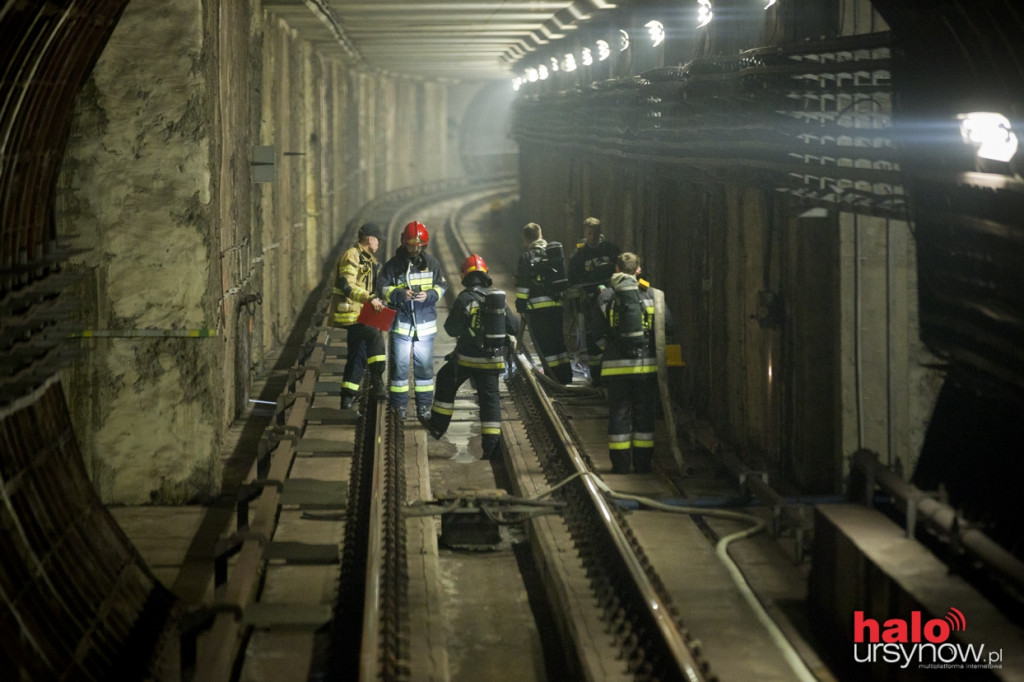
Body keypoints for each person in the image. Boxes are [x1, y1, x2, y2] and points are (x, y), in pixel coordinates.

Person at [422, 254, 520, 461]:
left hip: (467, 360)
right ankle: (491, 448)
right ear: (485, 274)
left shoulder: (466, 298)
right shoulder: (497, 298)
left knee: (446, 379)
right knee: (490, 401)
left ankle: (438, 427)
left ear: (465, 276)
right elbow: (515, 327)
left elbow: (451, 329)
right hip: (493, 361)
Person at [595, 252, 672, 474]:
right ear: (638, 270)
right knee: (644, 413)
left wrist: (611, 351)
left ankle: (620, 465)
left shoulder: (605, 296)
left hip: (615, 368)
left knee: (619, 413)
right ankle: (643, 464)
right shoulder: (653, 295)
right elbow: (669, 327)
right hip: (645, 367)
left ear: (617, 269)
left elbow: (597, 334)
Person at [378, 221, 447, 420]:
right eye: (411, 245)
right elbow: (381, 287)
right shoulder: (393, 265)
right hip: (402, 325)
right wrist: (400, 294)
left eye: (419, 245)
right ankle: (398, 407)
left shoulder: (432, 263)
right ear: (403, 242)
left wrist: (429, 295)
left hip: (424, 328)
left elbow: (442, 287)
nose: (415, 249)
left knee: (424, 370)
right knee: (399, 369)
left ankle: (424, 407)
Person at [329, 222, 387, 409]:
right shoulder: (352, 256)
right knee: (375, 336)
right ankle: (377, 380)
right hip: (351, 313)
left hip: (360, 314)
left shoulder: (368, 259)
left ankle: (347, 398)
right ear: (370, 239)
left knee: (357, 354)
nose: (379, 244)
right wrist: (370, 298)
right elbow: (348, 285)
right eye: (378, 240)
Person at [514, 222, 572, 384]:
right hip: (556, 305)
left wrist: (521, 306)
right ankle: (566, 376)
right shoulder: (552, 253)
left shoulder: (526, 257)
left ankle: (553, 378)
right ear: (541, 235)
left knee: (546, 345)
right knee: (558, 341)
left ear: (526, 239)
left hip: (538, 309)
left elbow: (523, 286)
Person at [566, 217, 619, 384]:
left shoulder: (611, 250)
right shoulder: (579, 256)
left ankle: (613, 372)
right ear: (584, 233)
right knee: (592, 337)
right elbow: (572, 280)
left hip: (611, 300)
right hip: (589, 303)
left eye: (595, 233)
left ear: (599, 232)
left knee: (612, 332)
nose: (592, 237)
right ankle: (597, 376)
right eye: (589, 233)